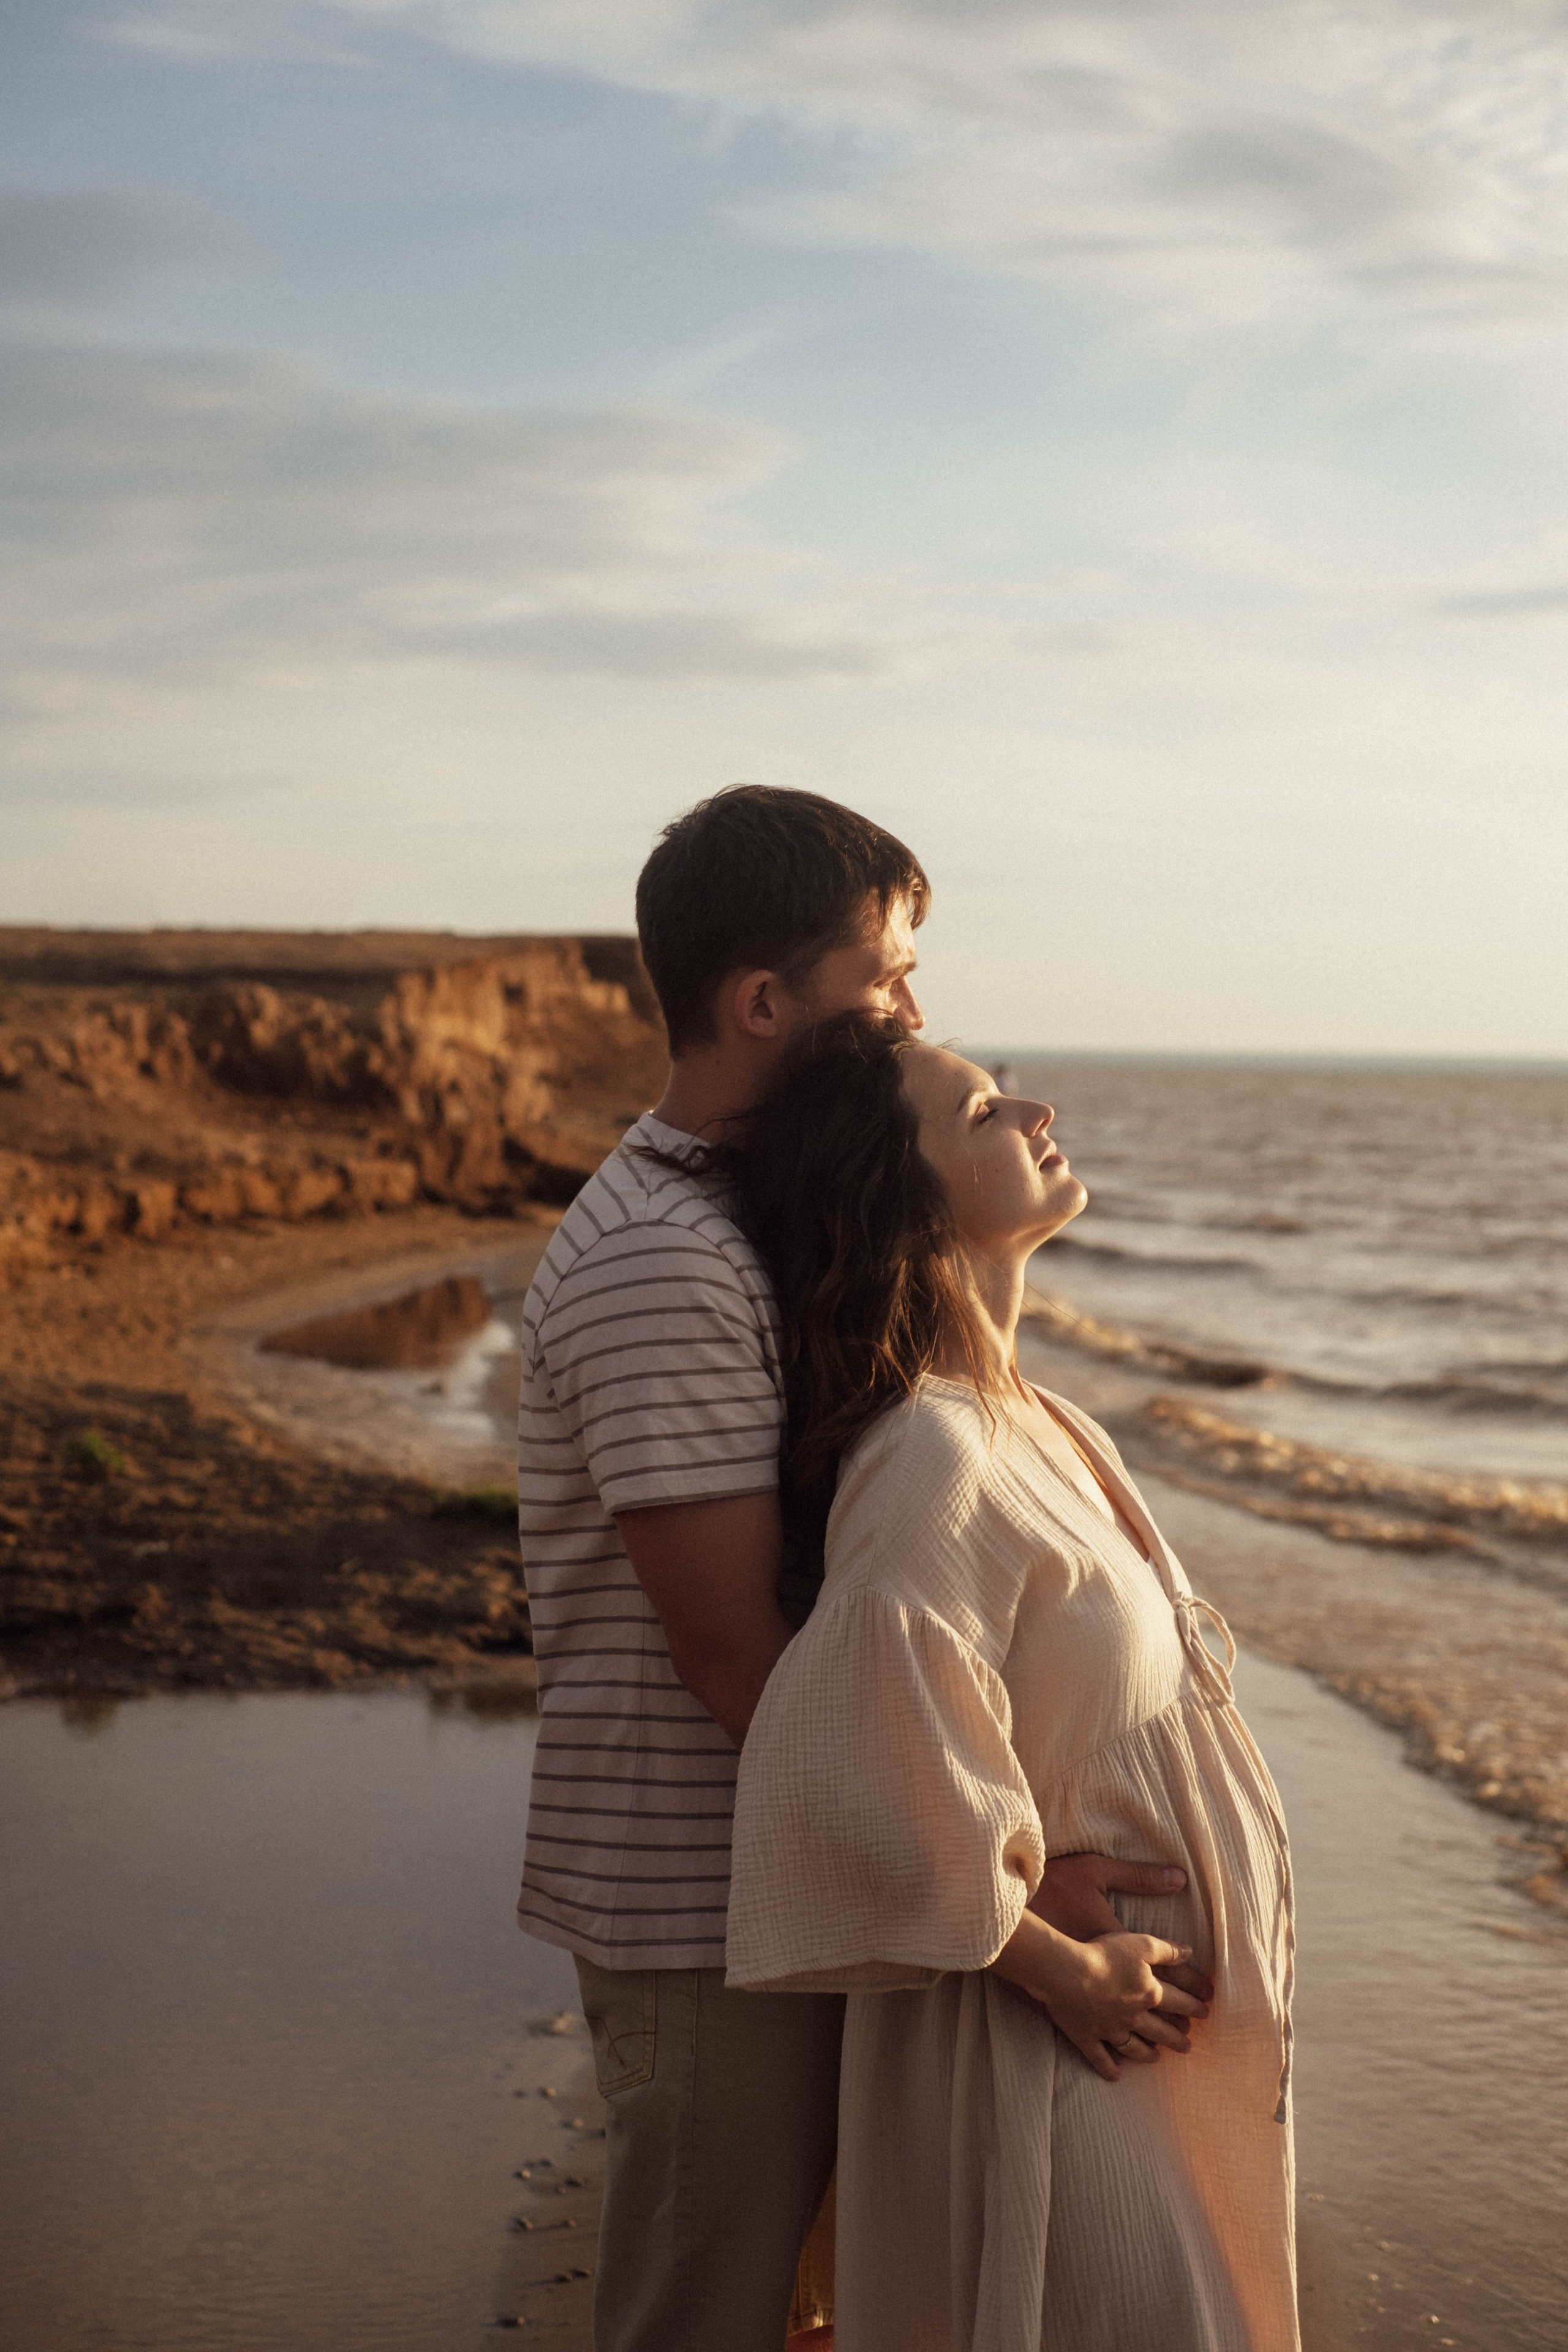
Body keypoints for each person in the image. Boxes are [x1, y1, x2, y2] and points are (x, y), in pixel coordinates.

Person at [516, 787, 1213, 2352]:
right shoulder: (662, 1262)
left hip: (820, 1895)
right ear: (762, 1003)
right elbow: (742, 1663)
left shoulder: (743, 1217)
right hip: (707, 1916)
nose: (913, 1006)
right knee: (709, 2318)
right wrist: (1027, 1941)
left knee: (823, 2318)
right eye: (885, 976)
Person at [720, 1014, 1298, 2352]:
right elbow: (850, 1777)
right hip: (1053, 2057)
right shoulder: (928, 1460)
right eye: (981, 1112)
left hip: (1127, 2041)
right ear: (897, 1192)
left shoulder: (1037, 1419)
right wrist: (1052, 1965)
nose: (1032, 1113)